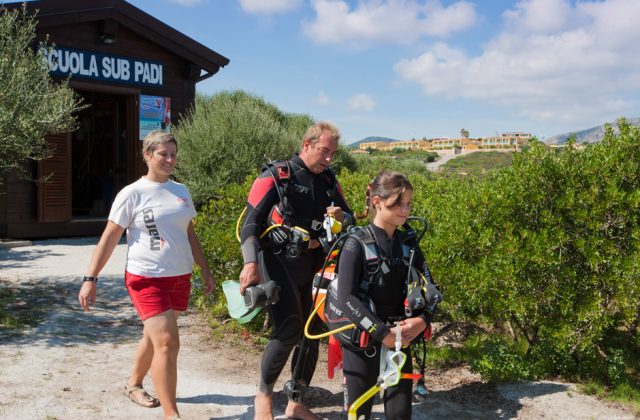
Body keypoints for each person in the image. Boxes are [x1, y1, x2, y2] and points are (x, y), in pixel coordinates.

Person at [78, 130, 215, 420]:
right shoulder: (132, 193)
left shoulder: (181, 191)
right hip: (146, 278)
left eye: (173, 154)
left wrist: (204, 268)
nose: (170, 159)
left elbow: (189, 233)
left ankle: (133, 384)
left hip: (179, 276)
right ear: (147, 155)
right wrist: (90, 278)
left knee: (153, 339)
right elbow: (109, 237)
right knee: (168, 342)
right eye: (163, 154)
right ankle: (171, 414)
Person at [239, 121, 354, 420]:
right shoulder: (277, 176)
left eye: (333, 153)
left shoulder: (329, 181)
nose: (329, 158)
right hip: (278, 262)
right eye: (324, 151)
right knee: (289, 329)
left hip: (314, 263)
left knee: (311, 333)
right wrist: (250, 263)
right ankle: (263, 398)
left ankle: (295, 403)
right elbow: (250, 224)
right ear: (306, 144)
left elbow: (350, 218)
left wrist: (342, 216)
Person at [334, 171, 438, 419]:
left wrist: (422, 320)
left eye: (409, 204)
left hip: (400, 338)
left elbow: (432, 292)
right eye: (398, 204)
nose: (405, 210)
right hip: (363, 340)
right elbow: (346, 298)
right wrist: (382, 333)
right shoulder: (355, 244)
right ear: (377, 202)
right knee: (359, 414)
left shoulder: (409, 244)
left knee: (400, 414)